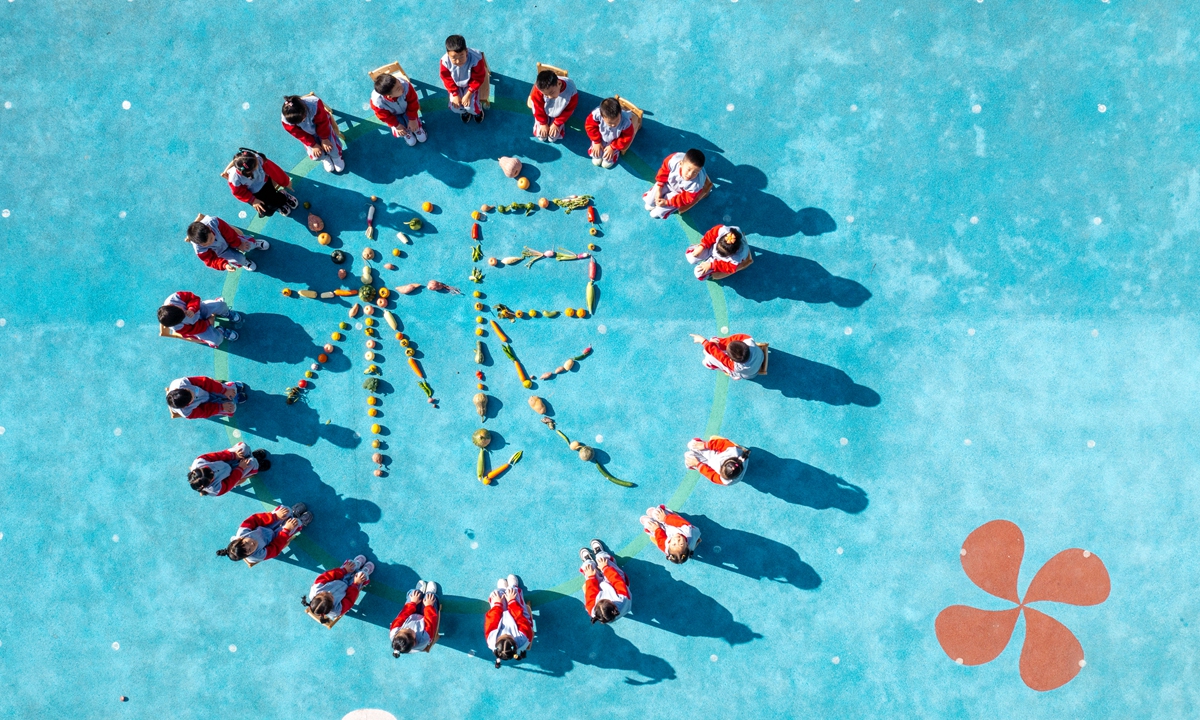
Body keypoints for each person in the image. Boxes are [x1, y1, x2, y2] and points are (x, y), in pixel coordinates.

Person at [216, 503, 312, 566]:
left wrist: (275, 516)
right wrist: (286, 530)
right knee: (295, 524)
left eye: (246, 543)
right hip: (275, 538)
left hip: (267, 524)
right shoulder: (257, 555)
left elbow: (256, 519)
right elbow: (275, 548)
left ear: (241, 538)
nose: (251, 544)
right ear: (249, 554)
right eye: (249, 550)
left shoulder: (242, 532)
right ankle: (300, 522)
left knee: (285, 510)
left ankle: (292, 512)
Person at [223, 148, 298, 218]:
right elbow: (239, 193)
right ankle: (279, 200)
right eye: (255, 165)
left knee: (274, 201)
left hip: (265, 183)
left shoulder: (258, 159)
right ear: (248, 171)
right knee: (266, 212)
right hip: (254, 192)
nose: (257, 163)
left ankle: (283, 196)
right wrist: (253, 200)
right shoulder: (235, 178)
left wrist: (285, 182)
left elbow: (274, 170)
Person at [302, 555, 374, 625]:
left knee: (351, 564)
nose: (329, 592)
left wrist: (344, 570)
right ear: (332, 605)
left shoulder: (316, 588)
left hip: (339, 578)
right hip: (348, 588)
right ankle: (364, 571)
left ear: (316, 596)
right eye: (331, 596)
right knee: (362, 575)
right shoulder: (336, 611)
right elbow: (349, 599)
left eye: (325, 592)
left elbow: (328, 575)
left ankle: (357, 564)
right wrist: (355, 584)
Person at [281, 94, 345, 173]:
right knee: (316, 154)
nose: (301, 122)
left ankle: (336, 157)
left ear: (304, 110)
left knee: (331, 146)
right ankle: (325, 158)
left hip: (324, 128)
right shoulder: (287, 119)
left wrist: (324, 138)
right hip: (307, 133)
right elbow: (298, 134)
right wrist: (313, 144)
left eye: (301, 120)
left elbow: (323, 122)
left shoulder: (314, 104)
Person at [186, 215, 269, 272]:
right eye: (205, 245)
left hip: (230, 239)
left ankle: (254, 243)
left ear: (209, 228)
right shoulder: (198, 249)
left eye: (211, 238)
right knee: (239, 259)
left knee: (249, 244)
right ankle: (244, 262)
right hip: (222, 252)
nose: (210, 243)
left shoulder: (214, 222)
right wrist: (224, 265)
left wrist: (238, 244)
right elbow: (211, 260)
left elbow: (229, 233)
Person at [158, 291, 242, 346]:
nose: (185, 314)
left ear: (171, 305)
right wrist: (207, 323)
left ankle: (225, 312)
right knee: (216, 341)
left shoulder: (176, 297)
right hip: (197, 326)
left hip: (200, 309)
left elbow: (194, 298)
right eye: (182, 318)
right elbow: (193, 330)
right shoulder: (176, 327)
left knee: (221, 305)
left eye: (183, 310)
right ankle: (220, 330)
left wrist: (191, 308)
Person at [643, 149, 708, 219]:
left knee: (655, 214)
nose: (690, 174)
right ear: (681, 163)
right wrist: (659, 188)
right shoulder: (673, 160)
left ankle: (673, 208)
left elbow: (685, 199)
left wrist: (667, 202)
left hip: (678, 194)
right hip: (667, 183)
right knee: (649, 203)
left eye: (695, 172)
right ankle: (656, 196)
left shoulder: (696, 186)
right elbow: (663, 172)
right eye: (688, 169)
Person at [485, 574, 534, 668]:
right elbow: (520, 618)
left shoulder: (491, 640)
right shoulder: (522, 637)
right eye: (509, 636)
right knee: (513, 593)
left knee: (495, 594)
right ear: (515, 643)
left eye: (504, 635)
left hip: (501, 617)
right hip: (519, 617)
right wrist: (512, 601)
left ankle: (502, 589)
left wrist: (498, 605)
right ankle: (513, 586)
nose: (506, 633)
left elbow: (492, 619)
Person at [188, 442, 269, 497]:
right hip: (231, 475)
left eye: (208, 469)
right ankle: (256, 463)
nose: (213, 471)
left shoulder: (199, 461)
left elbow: (219, 455)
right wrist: (240, 468)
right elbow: (232, 480)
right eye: (212, 474)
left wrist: (234, 455)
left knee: (243, 448)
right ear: (209, 482)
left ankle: (251, 456)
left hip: (225, 461)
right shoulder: (216, 489)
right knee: (251, 463)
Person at [579, 539, 631, 624]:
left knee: (587, 570)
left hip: (601, 587)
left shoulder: (592, 610)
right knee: (603, 560)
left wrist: (591, 577)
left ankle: (588, 561)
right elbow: (617, 581)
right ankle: (600, 554)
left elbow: (590, 592)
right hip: (615, 585)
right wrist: (605, 568)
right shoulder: (622, 598)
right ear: (614, 606)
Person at [439, 35, 487, 123]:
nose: (458, 61)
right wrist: (455, 93)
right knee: (454, 107)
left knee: (471, 107)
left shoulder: (476, 58)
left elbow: (478, 77)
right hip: (455, 86)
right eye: (454, 58)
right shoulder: (444, 61)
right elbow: (446, 78)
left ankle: (477, 112)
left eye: (461, 56)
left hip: (471, 85)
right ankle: (465, 112)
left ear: (466, 51)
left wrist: (469, 93)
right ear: (448, 54)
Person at [371, 72, 426, 146]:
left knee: (414, 123)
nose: (401, 86)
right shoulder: (377, 102)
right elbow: (384, 116)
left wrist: (412, 119)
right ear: (389, 96)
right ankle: (407, 132)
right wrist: (396, 125)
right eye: (398, 89)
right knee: (401, 129)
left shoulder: (405, 85)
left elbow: (413, 102)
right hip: (393, 115)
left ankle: (416, 128)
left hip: (407, 109)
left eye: (398, 82)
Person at [390, 580, 441, 655]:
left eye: (403, 630)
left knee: (414, 593)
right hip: (425, 617)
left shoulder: (394, 631)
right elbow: (430, 621)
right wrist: (428, 606)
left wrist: (413, 603)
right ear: (414, 642)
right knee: (430, 597)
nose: (407, 628)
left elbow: (403, 614)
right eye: (410, 631)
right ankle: (429, 592)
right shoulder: (424, 639)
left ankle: (420, 591)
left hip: (412, 614)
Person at [584, 98, 635, 169]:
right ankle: (597, 148)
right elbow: (590, 127)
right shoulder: (596, 114)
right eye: (610, 123)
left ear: (620, 113)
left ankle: (614, 155)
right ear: (603, 117)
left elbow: (626, 137)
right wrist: (596, 142)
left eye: (617, 120)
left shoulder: (626, 122)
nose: (614, 125)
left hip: (615, 140)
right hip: (600, 136)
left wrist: (613, 147)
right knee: (596, 153)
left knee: (608, 158)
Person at [689, 331, 764, 380]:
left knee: (707, 360)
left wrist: (705, 341)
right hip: (758, 359)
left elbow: (720, 356)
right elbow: (735, 338)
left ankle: (735, 376)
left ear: (732, 359)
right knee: (712, 349)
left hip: (749, 374)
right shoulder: (749, 340)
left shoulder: (736, 367)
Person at [529, 69, 577, 142]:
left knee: (553, 138)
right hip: (544, 112)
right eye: (546, 95)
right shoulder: (540, 88)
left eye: (551, 92)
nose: (550, 97)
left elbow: (569, 110)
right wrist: (543, 123)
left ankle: (557, 124)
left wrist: (557, 123)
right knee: (541, 136)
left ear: (559, 83)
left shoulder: (571, 91)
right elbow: (537, 107)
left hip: (559, 114)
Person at [166, 376, 248, 419]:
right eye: (192, 398)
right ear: (185, 406)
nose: (194, 394)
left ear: (178, 388)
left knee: (231, 389)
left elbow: (206, 382)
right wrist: (221, 406)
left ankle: (229, 387)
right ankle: (232, 398)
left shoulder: (182, 383)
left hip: (207, 390)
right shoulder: (186, 412)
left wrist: (223, 390)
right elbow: (204, 412)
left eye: (190, 391)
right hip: (205, 403)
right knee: (232, 408)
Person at [684, 436, 751, 486]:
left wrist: (698, 464)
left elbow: (711, 475)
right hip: (716, 455)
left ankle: (694, 462)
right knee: (691, 444)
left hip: (712, 463)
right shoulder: (734, 451)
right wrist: (705, 445)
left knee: (687, 457)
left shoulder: (726, 481)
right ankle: (737, 446)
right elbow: (722, 444)